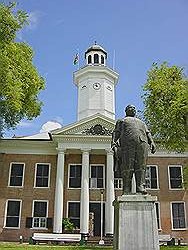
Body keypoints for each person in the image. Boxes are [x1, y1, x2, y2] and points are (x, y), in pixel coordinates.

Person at [111, 105, 156, 194]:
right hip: (127, 144)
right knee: (127, 166)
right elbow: (116, 132)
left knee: (141, 166)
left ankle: (140, 187)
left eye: (134, 108)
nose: (132, 109)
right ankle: (126, 189)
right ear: (126, 111)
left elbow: (147, 133)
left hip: (142, 143)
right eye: (130, 108)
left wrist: (152, 142)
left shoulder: (142, 122)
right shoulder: (122, 121)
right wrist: (113, 142)